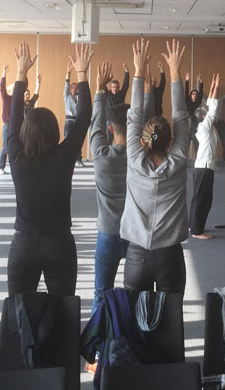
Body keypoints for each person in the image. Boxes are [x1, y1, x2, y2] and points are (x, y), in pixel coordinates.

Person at [6, 42, 93, 296]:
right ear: (55, 132)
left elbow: (14, 118)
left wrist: (21, 73)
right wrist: (82, 74)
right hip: (59, 243)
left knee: (19, 315)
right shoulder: (63, 156)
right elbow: (85, 115)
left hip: (23, 244)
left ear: (24, 132)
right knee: (64, 313)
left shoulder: (16, 155)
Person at [122, 38, 190, 293]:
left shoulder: (134, 157)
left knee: (133, 326)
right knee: (171, 326)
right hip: (169, 257)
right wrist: (175, 72)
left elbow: (135, 114)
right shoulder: (179, 158)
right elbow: (181, 117)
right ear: (171, 142)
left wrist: (138, 72)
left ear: (141, 141)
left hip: (136, 255)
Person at [89, 60, 130, 315]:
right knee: (137, 291)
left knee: (101, 293)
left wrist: (99, 89)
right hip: (134, 233)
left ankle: (92, 352)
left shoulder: (101, 156)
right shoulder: (140, 159)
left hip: (107, 233)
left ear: (111, 129)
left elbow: (95, 123)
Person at [190, 74, 221, 240]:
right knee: (203, 199)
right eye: (206, 114)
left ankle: (192, 224)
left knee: (197, 198)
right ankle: (196, 231)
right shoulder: (205, 127)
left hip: (201, 168)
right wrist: (215, 88)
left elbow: (209, 106)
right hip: (204, 168)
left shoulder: (203, 126)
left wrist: (211, 88)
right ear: (203, 117)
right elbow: (213, 109)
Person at [0, 65, 40, 174]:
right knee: (6, 147)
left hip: (18, 124)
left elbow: (24, 86)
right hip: (7, 124)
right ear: (9, 91)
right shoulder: (6, 98)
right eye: (11, 89)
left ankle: (19, 166)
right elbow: (2, 88)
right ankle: (0, 167)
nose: (13, 91)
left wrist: (24, 73)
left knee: (21, 145)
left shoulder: (19, 100)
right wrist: (3, 74)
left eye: (14, 89)